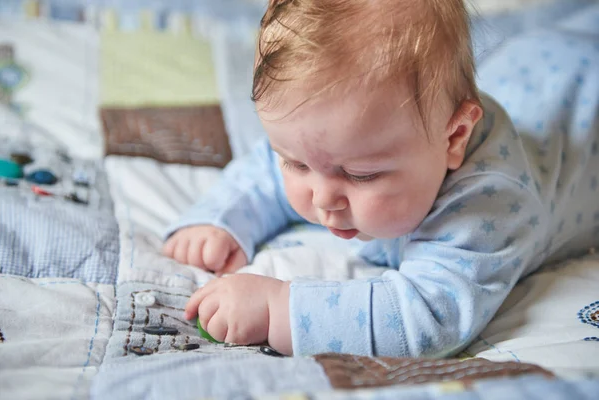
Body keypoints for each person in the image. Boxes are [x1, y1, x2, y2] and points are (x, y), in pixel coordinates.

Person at [163, 0, 599, 357]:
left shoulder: (492, 203)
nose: (323, 199)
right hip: (534, 64)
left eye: (361, 174)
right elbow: (265, 167)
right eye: (296, 165)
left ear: (455, 138)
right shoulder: (343, 144)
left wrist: (279, 309)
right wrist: (221, 218)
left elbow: (429, 317)